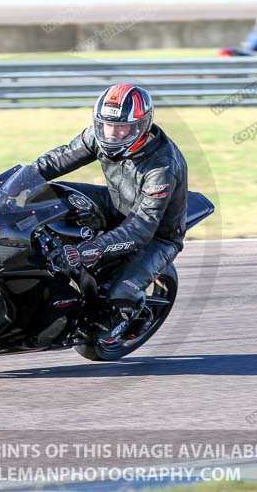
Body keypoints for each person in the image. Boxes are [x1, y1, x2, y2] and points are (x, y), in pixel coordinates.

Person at [30, 84, 188, 341]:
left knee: (112, 305)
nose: (112, 134)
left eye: (122, 127)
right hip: (116, 202)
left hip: (156, 234)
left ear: (142, 126)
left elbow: (141, 229)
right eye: (106, 126)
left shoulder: (162, 167)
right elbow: (57, 160)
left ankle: (136, 316)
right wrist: (12, 180)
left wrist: (89, 249)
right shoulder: (99, 135)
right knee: (45, 193)